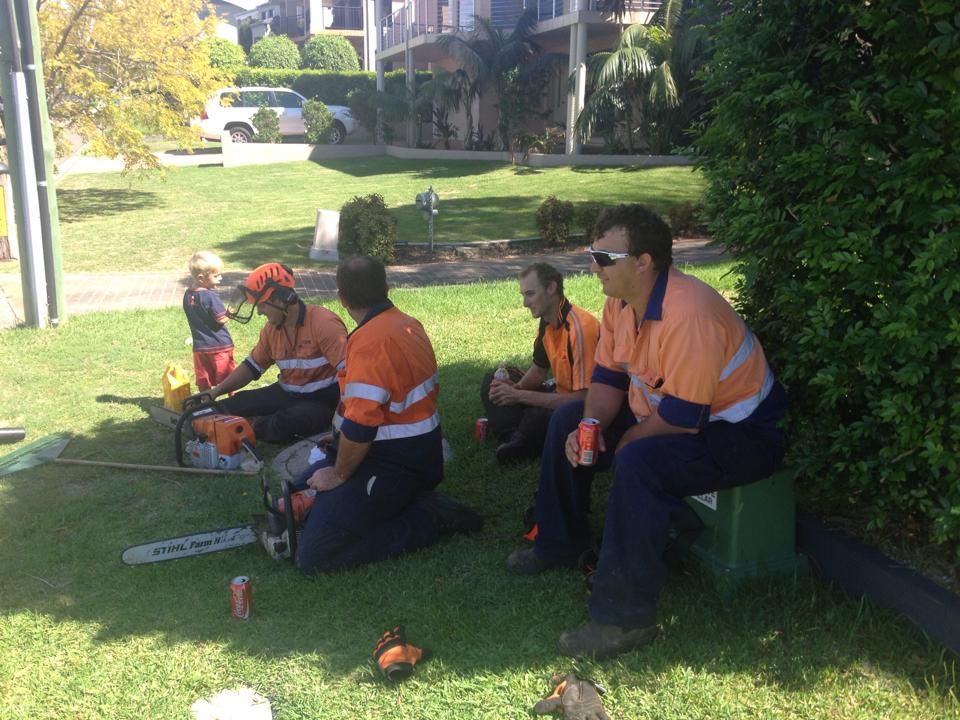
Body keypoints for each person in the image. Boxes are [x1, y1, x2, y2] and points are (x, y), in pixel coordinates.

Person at [506, 205, 788, 659]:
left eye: (603, 257)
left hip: (742, 434)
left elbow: (681, 420)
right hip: (678, 415)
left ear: (644, 262)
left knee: (638, 462)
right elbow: (610, 378)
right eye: (591, 254)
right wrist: (591, 428)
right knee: (568, 419)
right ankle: (558, 543)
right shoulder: (620, 301)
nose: (592, 267)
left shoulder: (688, 313)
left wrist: (617, 446)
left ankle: (624, 620)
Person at [293, 255, 481, 573]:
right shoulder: (406, 323)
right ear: (386, 287)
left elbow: (361, 427)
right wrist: (338, 442)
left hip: (397, 464)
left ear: (341, 298)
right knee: (301, 487)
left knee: (314, 556)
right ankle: (383, 505)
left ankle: (429, 516)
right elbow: (367, 410)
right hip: (406, 453)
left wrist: (338, 474)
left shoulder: (369, 343)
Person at [188, 262, 347, 444]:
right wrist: (215, 392)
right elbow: (252, 366)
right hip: (286, 391)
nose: (259, 312)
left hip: (322, 401)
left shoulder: (324, 324)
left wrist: (344, 419)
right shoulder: (271, 330)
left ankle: (240, 428)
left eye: (262, 305)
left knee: (291, 421)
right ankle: (204, 417)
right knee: (241, 402)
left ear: (281, 299)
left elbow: (352, 374)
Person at [480, 263, 600, 464]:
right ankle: (516, 438)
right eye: (523, 295)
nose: (525, 303)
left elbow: (584, 398)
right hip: (557, 393)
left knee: (545, 413)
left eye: (530, 294)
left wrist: (519, 396)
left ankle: (518, 438)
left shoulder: (580, 329)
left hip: (578, 406)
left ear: (551, 288)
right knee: (493, 380)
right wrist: (514, 389)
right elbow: (538, 370)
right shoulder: (547, 322)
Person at [183, 251, 236, 390]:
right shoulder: (209, 296)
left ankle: (205, 404)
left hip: (200, 347)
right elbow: (221, 319)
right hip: (220, 346)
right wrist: (230, 313)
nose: (220, 278)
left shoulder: (188, 295)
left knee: (204, 380)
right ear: (201, 278)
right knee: (229, 379)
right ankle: (233, 401)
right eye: (216, 275)